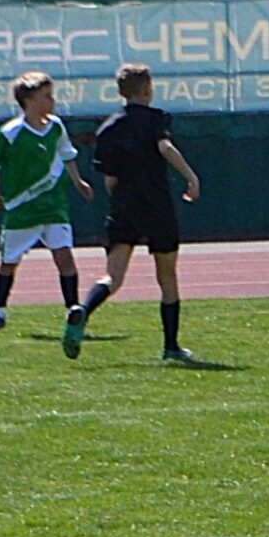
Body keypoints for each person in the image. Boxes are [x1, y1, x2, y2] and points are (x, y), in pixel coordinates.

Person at [64, 64, 203, 364]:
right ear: (148, 89)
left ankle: (84, 310)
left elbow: (109, 180)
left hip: (125, 203)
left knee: (113, 276)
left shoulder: (108, 127)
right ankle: (171, 346)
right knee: (167, 276)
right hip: (156, 203)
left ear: (121, 92)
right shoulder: (156, 118)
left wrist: (124, 197)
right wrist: (191, 177)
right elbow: (165, 147)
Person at [0, 71, 94, 337]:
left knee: (65, 258)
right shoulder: (11, 132)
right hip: (22, 209)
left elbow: (67, 155)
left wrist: (78, 182)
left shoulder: (56, 127)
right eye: (46, 96)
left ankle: (73, 313)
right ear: (28, 100)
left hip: (53, 207)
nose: (52, 101)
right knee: (9, 263)